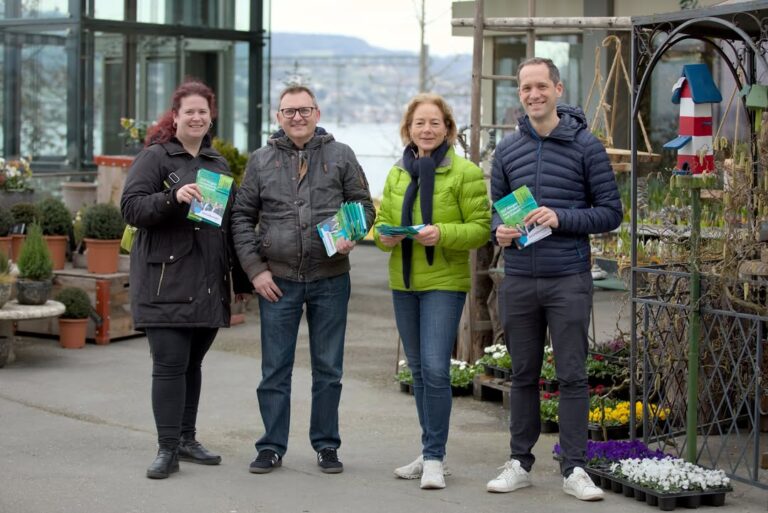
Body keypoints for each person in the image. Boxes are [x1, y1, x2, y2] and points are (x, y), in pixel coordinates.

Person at [487, 58, 622, 500]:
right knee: (523, 374)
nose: (533, 95)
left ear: (559, 90)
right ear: (520, 94)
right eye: (526, 88)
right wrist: (499, 231)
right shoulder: (507, 151)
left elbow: (611, 213)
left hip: (567, 278)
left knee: (572, 376)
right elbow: (497, 211)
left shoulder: (587, 146)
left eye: (541, 86)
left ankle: (575, 468)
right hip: (521, 278)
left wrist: (562, 217)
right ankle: (519, 462)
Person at [231, 85, 375, 475]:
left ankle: (327, 445)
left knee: (328, 369)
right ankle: (271, 446)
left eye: (304, 110)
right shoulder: (260, 161)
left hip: (330, 278)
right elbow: (241, 218)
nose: (297, 117)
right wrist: (255, 271)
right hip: (277, 280)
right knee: (274, 370)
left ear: (317, 112)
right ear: (278, 117)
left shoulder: (341, 154)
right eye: (289, 111)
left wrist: (352, 232)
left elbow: (362, 205)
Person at [121, 79, 251, 479]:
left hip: (207, 282)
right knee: (169, 365)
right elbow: (130, 208)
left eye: (203, 111)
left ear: (211, 117)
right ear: (175, 117)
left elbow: (227, 226)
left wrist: (242, 281)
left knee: (192, 365)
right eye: (189, 111)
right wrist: (170, 198)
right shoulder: (155, 158)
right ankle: (166, 449)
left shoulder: (217, 164)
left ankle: (186, 438)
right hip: (164, 282)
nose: (197, 117)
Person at [374, 93, 491, 489]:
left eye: (434, 123)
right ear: (408, 129)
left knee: (438, 370)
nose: (426, 130)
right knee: (420, 372)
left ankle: (436, 459)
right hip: (404, 282)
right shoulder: (396, 174)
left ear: (448, 129)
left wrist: (442, 234)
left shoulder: (464, 172)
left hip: (443, 281)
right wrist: (383, 238)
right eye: (419, 123)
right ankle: (428, 451)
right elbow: (384, 223)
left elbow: (480, 228)